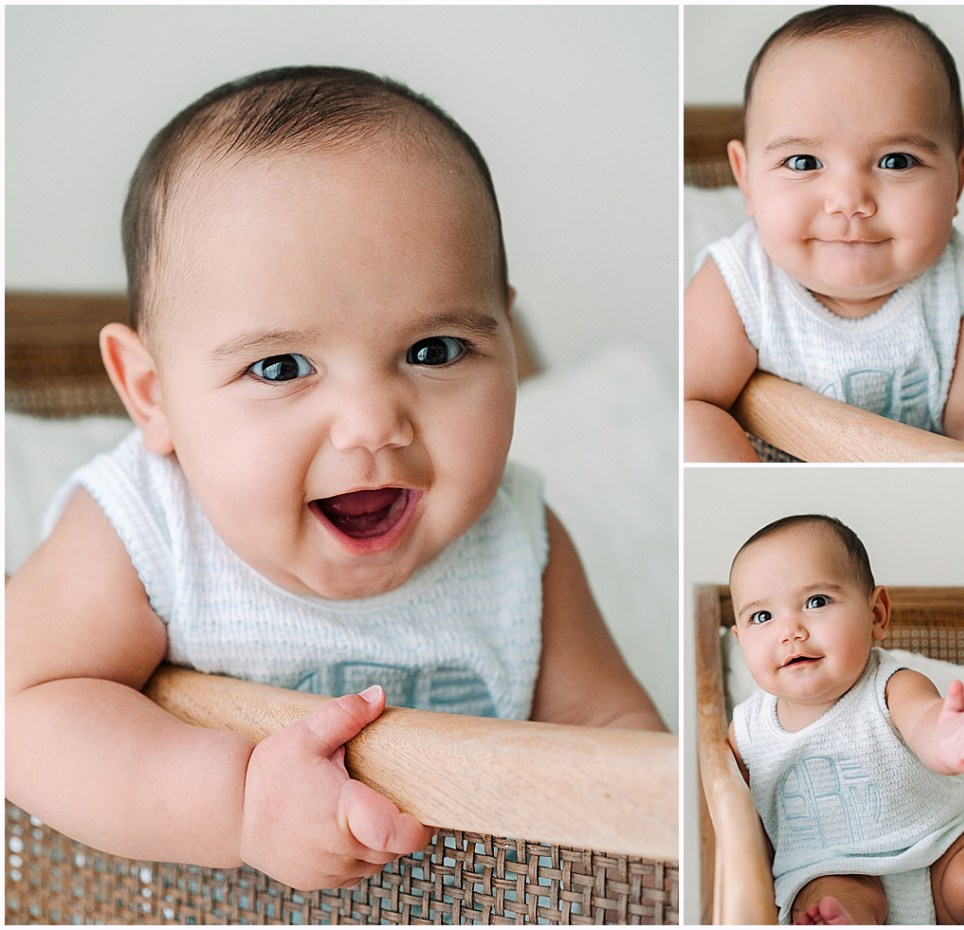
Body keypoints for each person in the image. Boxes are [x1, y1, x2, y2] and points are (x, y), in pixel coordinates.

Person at [5, 66, 665, 892]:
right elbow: (25, 707)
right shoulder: (145, 530)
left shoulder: (516, 540)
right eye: (281, 366)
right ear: (151, 393)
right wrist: (237, 803)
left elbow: (612, 732)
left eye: (434, 351)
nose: (372, 425)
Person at [684, 5, 964, 462]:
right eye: (803, 163)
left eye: (897, 160)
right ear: (746, 181)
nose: (849, 200)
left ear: (959, 178)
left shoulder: (963, 284)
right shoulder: (739, 283)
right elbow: (690, 405)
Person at [726, 514, 964, 924]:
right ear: (740, 641)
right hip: (831, 869)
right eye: (762, 617)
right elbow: (723, 798)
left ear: (877, 614)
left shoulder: (890, 686)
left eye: (817, 602)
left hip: (938, 850)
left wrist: (948, 737)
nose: (789, 632)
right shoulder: (748, 729)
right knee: (833, 899)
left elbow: (923, 720)